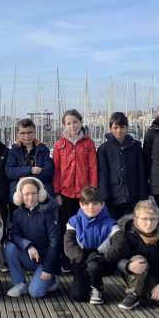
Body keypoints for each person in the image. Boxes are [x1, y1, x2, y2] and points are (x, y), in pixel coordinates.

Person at [105, 200, 159, 311]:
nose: (149, 223)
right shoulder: (126, 233)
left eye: (153, 219)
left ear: (158, 219)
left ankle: (145, 293)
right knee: (139, 259)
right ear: (136, 219)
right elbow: (116, 258)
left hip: (156, 275)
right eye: (144, 219)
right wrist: (128, 265)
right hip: (134, 274)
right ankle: (134, 294)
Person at [52, 109, 98, 272]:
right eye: (69, 123)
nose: (72, 126)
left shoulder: (88, 143)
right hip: (65, 193)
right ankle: (67, 260)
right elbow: (56, 171)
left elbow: (93, 168)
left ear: (81, 123)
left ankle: (85, 259)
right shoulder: (59, 145)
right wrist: (57, 192)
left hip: (84, 194)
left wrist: (93, 192)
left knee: (85, 227)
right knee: (66, 228)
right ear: (64, 125)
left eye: (75, 122)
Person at [4, 177, 60, 298]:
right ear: (20, 196)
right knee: (10, 248)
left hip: (46, 261)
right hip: (31, 257)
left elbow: (55, 243)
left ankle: (52, 279)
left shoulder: (48, 213)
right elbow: (14, 235)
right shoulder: (18, 213)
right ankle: (19, 283)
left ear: (40, 194)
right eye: (26, 194)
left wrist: (47, 269)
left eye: (34, 193)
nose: (30, 197)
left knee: (35, 292)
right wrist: (28, 245)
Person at [63, 187, 118, 304]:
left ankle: (97, 287)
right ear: (81, 204)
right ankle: (89, 281)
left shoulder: (111, 223)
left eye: (95, 203)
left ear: (102, 204)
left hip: (102, 262)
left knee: (94, 266)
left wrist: (103, 258)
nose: (91, 207)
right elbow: (69, 244)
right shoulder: (73, 221)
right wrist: (83, 259)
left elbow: (120, 245)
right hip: (82, 262)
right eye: (87, 203)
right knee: (78, 296)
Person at [97, 112, 149, 220]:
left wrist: (143, 197)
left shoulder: (136, 147)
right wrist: (104, 197)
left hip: (132, 197)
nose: (119, 130)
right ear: (110, 128)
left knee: (130, 226)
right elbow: (103, 174)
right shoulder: (103, 149)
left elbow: (141, 172)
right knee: (113, 226)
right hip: (112, 198)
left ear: (126, 128)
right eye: (115, 127)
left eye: (122, 127)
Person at [5, 118, 55, 211]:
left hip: (41, 193)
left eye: (30, 132)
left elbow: (49, 170)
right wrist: (30, 170)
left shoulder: (43, 150)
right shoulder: (13, 151)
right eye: (23, 133)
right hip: (19, 194)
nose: (26, 136)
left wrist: (28, 178)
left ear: (35, 133)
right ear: (17, 134)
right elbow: (10, 171)